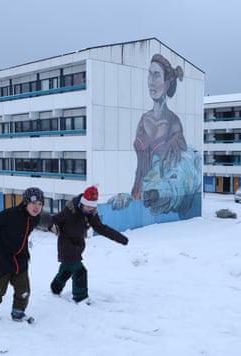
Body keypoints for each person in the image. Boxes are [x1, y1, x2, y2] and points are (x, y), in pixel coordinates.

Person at [49, 186, 129, 303]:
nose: (89, 209)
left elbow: (101, 228)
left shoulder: (91, 213)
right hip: (66, 245)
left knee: (67, 269)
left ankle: (55, 288)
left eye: (92, 207)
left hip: (78, 245)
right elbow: (54, 219)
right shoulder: (70, 210)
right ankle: (80, 298)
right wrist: (52, 226)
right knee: (80, 271)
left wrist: (121, 238)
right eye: (88, 206)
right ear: (82, 203)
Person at [0, 187, 45, 321]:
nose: (36, 207)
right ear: (26, 203)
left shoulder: (34, 218)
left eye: (40, 204)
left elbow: (45, 218)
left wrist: (52, 226)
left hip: (20, 258)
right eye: (33, 203)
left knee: (24, 289)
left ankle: (18, 312)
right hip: (1, 257)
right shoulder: (11, 215)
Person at [131, 53, 186, 200]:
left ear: (167, 83)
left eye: (156, 75)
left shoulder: (174, 123)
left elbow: (181, 167)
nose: (151, 81)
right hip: (137, 192)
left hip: (158, 196)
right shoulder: (143, 120)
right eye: (149, 75)